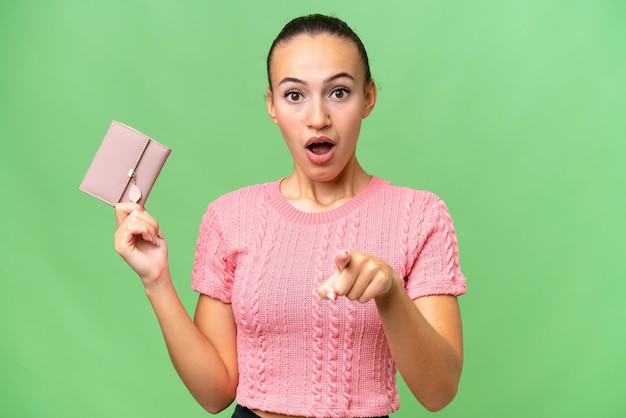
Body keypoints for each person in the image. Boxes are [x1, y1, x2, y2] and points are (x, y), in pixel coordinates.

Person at [114, 14, 466, 418]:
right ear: (272, 106)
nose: (318, 118)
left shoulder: (419, 216)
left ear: (368, 97)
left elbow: (439, 392)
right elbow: (215, 395)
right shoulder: (230, 217)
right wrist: (156, 280)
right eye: (294, 96)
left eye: (339, 92)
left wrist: (390, 293)